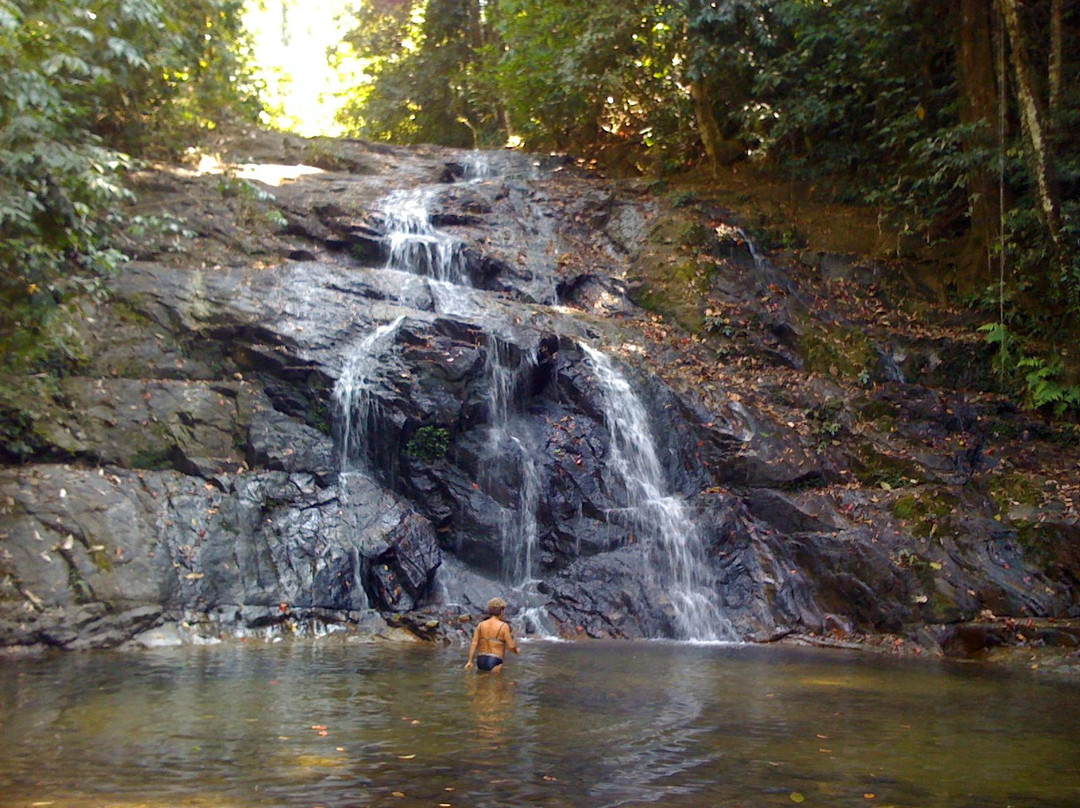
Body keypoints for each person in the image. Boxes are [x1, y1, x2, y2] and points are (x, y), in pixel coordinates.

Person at [463, 597, 520, 673]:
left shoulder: (481, 625)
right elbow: (511, 646)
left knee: (482, 683)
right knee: (495, 683)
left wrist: (470, 661)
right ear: (501, 611)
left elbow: (474, 644)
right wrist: (516, 651)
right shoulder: (503, 626)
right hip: (495, 659)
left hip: (481, 659)